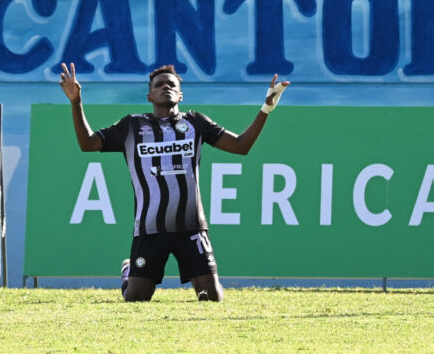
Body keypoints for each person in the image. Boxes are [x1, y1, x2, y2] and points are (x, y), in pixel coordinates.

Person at [59, 62, 288, 302]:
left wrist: (266, 108)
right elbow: (88, 144)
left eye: (172, 84)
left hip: (191, 227)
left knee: (210, 298)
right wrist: (76, 101)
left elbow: (241, 146)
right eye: (159, 84)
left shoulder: (196, 123)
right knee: (137, 299)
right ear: (149, 96)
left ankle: (206, 279)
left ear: (180, 94)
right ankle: (129, 273)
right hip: (149, 227)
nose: (165, 87)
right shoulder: (132, 126)